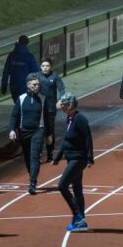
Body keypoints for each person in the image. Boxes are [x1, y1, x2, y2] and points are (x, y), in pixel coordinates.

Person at [52, 93, 93, 233]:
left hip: (78, 158)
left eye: (63, 103)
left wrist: (90, 158)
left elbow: (88, 138)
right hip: (71, 157)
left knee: (62, 185)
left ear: (69, 105)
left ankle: (77, 215)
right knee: (77, 189)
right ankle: (80, 222)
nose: (61, 105)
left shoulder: (80, 119)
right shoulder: (69, 118)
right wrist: (58, 157)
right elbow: (66, 140)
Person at [7, 73, 45, 195]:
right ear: (28, 85)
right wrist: (12, 130)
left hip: (38, 130)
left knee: (34, 156)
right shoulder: (21, 99)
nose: (37, 87)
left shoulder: (42, 98)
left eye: (38, 84)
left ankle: (32, 183)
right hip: (24, 132)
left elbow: (48, 117)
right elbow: (14, 115)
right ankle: (32, 176)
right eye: (34, 84)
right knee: (28, 157)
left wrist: (50, 134)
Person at [37, 58, 64, 163]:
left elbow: (61, 88)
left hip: (51, 109)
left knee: (50, 131)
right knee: (39, 131)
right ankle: (39, 153)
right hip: (39, 109)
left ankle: (50, 153)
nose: (45, 68)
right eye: (43, 66)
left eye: (47, 66)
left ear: (51, 67)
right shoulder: (36, 76)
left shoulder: (55, 76)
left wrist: (61, 100)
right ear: (40, 67)